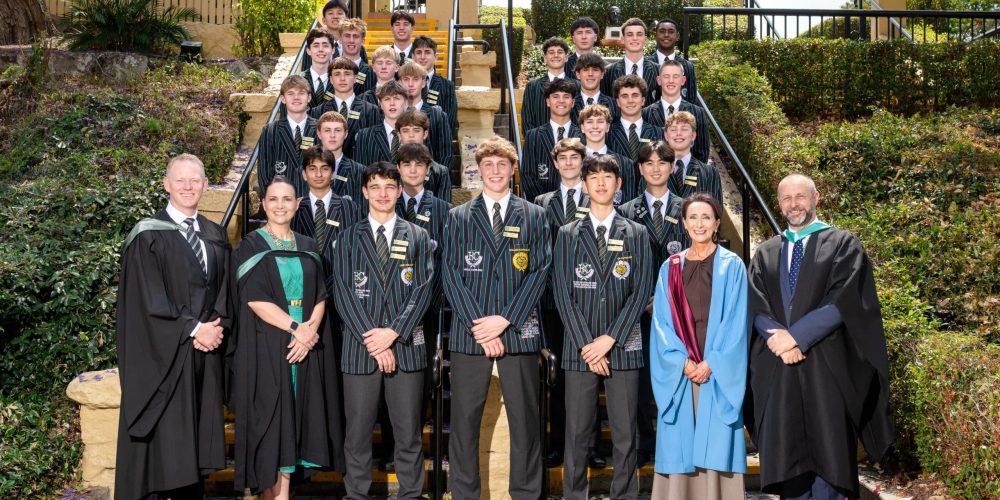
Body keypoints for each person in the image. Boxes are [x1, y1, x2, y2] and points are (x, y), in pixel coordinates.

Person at [747, 173, 893, 500]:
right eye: (786, 198)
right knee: (788, 463)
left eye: (801, 196)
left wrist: (797, 337)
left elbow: (846, 299)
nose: (794, 204)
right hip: (780, 370)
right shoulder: (768, 251)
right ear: (779, 203)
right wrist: (775, 337)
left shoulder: (842, 244)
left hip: (826, 365)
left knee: (829, 458)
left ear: (816, 198)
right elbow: (755, 303)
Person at [442, 136, 553, 499]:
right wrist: (481, 325)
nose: (494, 171)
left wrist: (504, 320)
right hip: (469, 335)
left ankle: (525, 494)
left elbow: (539, 271)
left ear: (512, 170)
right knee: (463, 424)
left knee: (525, 425)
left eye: (501, 165)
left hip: (518, 332)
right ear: (478, 171)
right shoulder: (458, 217)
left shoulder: (534, 215)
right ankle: (464, 494)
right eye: (487, 165)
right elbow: (450, 274)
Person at [115, 154, 228, 500]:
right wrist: (195, 329)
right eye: (181, 180)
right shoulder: (147, 235)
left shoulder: (216, 234)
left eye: (196, 180)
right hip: (166, 354)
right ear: (166, 185)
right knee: (165, 447)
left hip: (204, 356)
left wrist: (216, 327)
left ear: (206, 185)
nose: (189, 187)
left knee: (193, 453)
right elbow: (146, 299)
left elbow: (224, 291)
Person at [329, 162, 435, 500]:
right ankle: (356, 494)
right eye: (375, 186)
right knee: (357, 432)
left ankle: (410, 494)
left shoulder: (418, 236)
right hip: (360, 350)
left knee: (408, 433)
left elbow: (423, 290)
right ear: (364, 192)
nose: (383, 193)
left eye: (390, 186)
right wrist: (375, 341)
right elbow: (343, 292)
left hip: (405, 349)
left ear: (399, 190)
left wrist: (392, 334)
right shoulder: (346, 238)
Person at [231, 176, 342, 498]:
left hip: (306, 345)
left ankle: (283, 493)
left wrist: (309, 333)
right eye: (273, 199)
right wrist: (297, 330)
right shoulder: (250, 245)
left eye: (287, 199)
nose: (280, 205)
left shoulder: (308, 245)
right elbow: (254, 298)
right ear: (263, 204)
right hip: (269, 343)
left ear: (297, 205)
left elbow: (321, 293)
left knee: (297, 418)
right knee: (272, 419)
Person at [554, 154, 655, 500]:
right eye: (593, 177)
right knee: (577, 432)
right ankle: (574, 494)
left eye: (607, 177)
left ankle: (625, 494)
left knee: (626, 434)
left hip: (624, 345)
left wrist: (609, 339)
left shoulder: (637, 233)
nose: (600, 182)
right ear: (583, 185)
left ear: (619, 184)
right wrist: (587, 343)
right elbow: (562, 292)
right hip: (579, 350)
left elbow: (641, 289)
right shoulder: (568, 234)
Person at [649, 192, 748, 499]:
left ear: (718, 223)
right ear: (684, 223)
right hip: (683, 372)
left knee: (717, 440)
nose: (699, 223)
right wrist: (682, 361)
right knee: (681, 440)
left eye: (706, 217)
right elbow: (661, 323)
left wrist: (711, 363)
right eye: (693, 217)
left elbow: (737, 322)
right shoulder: (670, 267)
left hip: (716, 372)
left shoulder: (732, 266)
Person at [617, 140, 687, 465]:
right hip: (638, 311)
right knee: (640, 381)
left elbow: (695, 262)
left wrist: (664, 297)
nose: (656, 167)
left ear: (672, 167)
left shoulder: (688, 209)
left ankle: (677, 442)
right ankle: (644, 444)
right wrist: (643, 298)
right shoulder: (627, 211)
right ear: (641, 169)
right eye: (649, 163)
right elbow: (622, 264)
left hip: (678, 313)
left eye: (663, 162)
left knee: (677, 377)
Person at [533, 138, 590, 469]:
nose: (569, 163)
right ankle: (557, 444)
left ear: (582, 162)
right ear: (555, 164)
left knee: (589, 376)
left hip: (589, 300)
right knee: (556, 377)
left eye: (574, 157)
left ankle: (590, 446)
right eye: (563, 158)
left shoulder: (596, 196)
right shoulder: (541, 202)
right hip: (553, 302)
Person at [521, 78, 582, 203]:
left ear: (573, 102)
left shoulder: (583, 135)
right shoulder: (533, 135)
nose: (561, 101)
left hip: (577, 203)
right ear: (548, 102)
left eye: (566, 96)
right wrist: (548, 202)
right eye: (555, 96)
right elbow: (527, 175)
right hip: (544, 205)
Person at [258, 75, 319, 197]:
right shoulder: (270, 130)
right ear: (283, 99)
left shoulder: (320, 128)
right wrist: (274, 200)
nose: (296, 98)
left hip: (312, 202)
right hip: (282, 203)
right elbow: (264, 172)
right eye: (290, 93)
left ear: (309, 97)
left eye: (301, 93)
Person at [310, 58, 383, 159]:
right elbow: (316, 146)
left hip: (360, 168)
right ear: (330, 79)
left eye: (347, 74)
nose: (342, 78)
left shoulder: (371, 110)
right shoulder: (317, 111)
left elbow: (374, 146)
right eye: (337, 74)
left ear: (355, 78)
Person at [291, 145, 362, 250]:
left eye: (324, 169)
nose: (318, 174)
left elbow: (357, 249)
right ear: (304, 174)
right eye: (312, 169)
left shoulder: (351, 209)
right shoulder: (294, 209)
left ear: (333, 174)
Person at [642, 61, 710, 163]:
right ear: (659, 80)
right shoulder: (645, 113)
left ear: (683, 80)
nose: (671, 81)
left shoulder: (697, 112)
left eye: (675, 76)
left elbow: (702, 153)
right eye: (666, 76)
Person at [579, 103, 639, 205]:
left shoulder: (625, 163)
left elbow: (628, 204)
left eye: (600, 121)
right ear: (582, 128)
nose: (595, 126)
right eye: (589, 122)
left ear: (607, 127)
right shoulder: (573, 162)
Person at [397, 61, 453, 169]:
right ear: (399, 82)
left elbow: (445, 154)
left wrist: (438, 179)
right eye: (406, 79)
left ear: (423, 83)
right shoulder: (392, 114)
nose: (410, 84)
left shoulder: (437, 115)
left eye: (416, 79)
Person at [664, 111, 722, 203]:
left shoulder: (709, 173)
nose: (678, 133)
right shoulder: (651, 170)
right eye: (673, 129)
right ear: (666, 136)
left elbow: (715, 212)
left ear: (693, 136)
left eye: (684, 129)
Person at [396, 109, 453, 202]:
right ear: (399, 135)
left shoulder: (440, 172)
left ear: (425, 134)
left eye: (416, 130)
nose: (411, 135)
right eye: (405, 131)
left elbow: (443, 209)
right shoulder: (389, 170)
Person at [312, 111, 367, 204]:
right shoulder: (303, 171)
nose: (332, 135)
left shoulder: (360, 171)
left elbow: (362, 210)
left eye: (337, 130)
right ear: (319, 133)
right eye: (327, 130)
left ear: (345, 134)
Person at [608, 75, 662, 165]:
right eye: (625, 96)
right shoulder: (608, 133)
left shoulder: (658, 133)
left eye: (635, 95)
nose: (630, 101)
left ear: (643, 100)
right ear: (618, 102)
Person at [602, 18, 658, 104]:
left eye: (639, 34)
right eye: (630, 34)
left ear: (645, 40)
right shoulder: (609, 72)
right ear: (623, 39)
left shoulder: (658, 70)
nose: (635, 38)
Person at [521, 37, 572, 132]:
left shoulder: (577, 86)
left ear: (566, 58)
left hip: (571, 145)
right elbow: (527, 121)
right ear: (545, 59)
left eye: (560, 52)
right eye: (551, 52)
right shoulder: (532, 87)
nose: (556, 55)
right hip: (539, 144)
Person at [353, 81, 409, 168]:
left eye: (397, 98)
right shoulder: (364, 135)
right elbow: (360, 173)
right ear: (380, 104)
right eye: (387, 99)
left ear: (406, 102)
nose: (392, 104)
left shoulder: (416, 133)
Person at [411, 35, 458, 132]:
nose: (423, 57)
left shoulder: (447, 85)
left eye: (427, 52)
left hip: (436, 141)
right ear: (413, 57)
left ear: (436, 57)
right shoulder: (403, 83)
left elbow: (451, 121)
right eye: (419, 52)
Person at [647, 18, 697, 101]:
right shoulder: (645, 64)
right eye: (662, 31)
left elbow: (692, 100)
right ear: (655, 36)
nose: (666, 35)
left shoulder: (688, 67)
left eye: (671, 31)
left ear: (677, 36)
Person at [572, 52, 619, 124]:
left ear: (602, 74)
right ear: (578, 74)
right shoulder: (570, 104)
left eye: (595, 70)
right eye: (585, 69)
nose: (590, 74)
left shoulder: (613, 104)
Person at [337, 18, 375, 96]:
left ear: (363, 41)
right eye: (347, 36)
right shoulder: (330, 69)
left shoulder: (371, 72)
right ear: (340, 39)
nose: (351, 40)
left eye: (356, 36)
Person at [301, 28, 336, 108]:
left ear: (333, 50)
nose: (320, 50)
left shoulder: (341, 81)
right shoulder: (297, 81)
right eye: (316, 46)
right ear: (308, 51)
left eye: (325, 45)